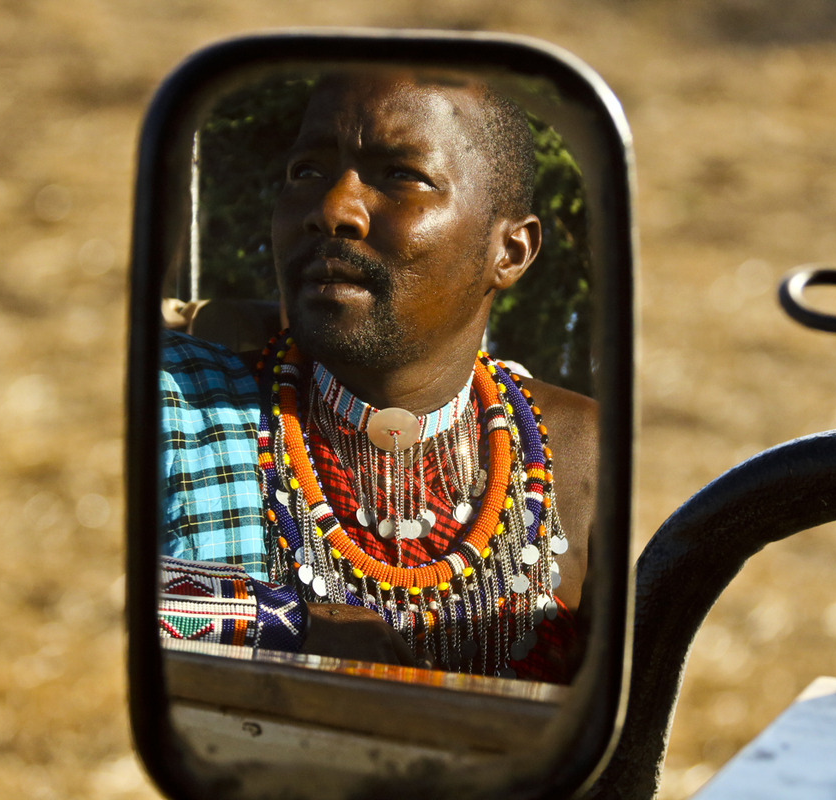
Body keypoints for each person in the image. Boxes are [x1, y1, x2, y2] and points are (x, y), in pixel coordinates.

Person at [158, 69, 597, 683]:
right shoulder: (178, 405)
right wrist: (288, 623)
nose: (332, 210)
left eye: (402, 176)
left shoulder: (584, 454)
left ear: (511, 252)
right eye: (305, 172)